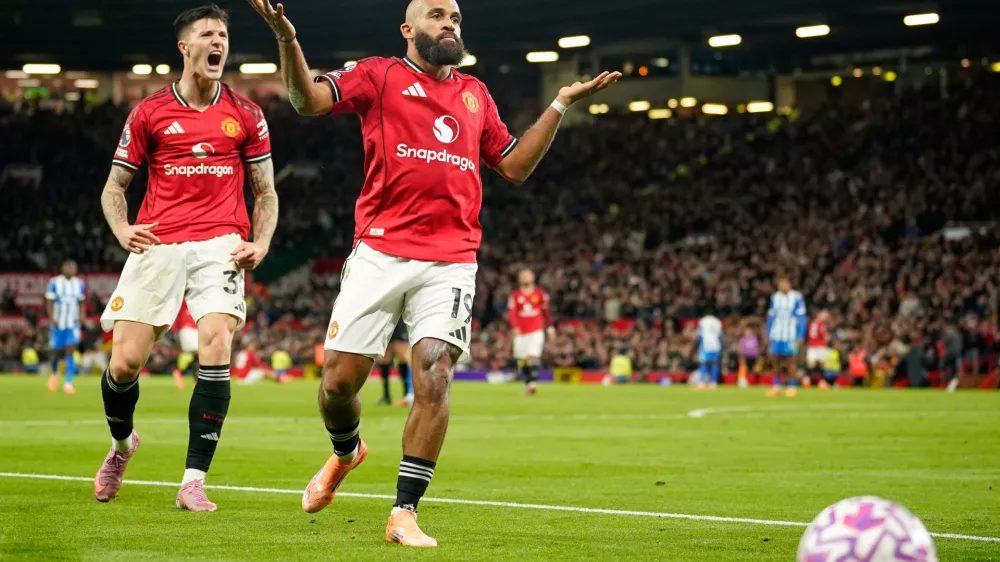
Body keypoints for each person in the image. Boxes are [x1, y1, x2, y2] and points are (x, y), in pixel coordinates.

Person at [247, 0, 619, 547]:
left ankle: (404, 512)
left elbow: (513, 165)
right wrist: (286, 39)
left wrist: (559, 104)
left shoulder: (475, 94)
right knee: (338, 384)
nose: (451, 24)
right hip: (379, 251)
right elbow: (308, 101)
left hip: (451, 257)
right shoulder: (379, 75)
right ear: (409, 29)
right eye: (439, 15)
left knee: (435, 369)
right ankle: (347, 451)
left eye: (457, 18)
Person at [93, 4, 278, 513]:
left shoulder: (247, 113)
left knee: (216, 343)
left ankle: (193, 480)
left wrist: (260, 242)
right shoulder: (150, 111)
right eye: (207, 35)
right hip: (160, 241)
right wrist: (122, 227)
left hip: (221, 242)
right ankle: (122, 444)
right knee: (125, 363)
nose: (218, 43)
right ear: (185, 47)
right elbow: (115, 187)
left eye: (223, 35)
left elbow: (265, 192)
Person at [508, 268, 553, 395]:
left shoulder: (540, 294)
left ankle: (532, 382)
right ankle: (529, 383)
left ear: (533, 277)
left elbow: (546, 313)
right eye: (522, 275)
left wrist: (550, 328)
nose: (525, 277)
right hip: (521, 332)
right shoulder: (515, 295)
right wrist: (514, 326)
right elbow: (512, 313)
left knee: (533, 356)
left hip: (536, 330)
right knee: (522, 360)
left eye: (527, 275)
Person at [45, 260, 85, 394]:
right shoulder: (54, 282)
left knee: (70, 350)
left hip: (72, 323)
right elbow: (50, 301)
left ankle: (68, 383)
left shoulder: (79, 283)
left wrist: (81, 316)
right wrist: (52, 318)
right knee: (57, 351)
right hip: (58, 322)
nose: (72, 269)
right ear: (63, 268)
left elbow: (81, 302)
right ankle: (55, 374)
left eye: (74, 267)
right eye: (69, 267)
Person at [765, 276, 807, 397]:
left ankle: (792, 386)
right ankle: (776, 386)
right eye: (780, 284)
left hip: (790, 335)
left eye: (785, 283)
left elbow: (802, 318)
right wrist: (768, 333)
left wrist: (800, 335)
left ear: (789, 284)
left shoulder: (797, 297)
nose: (782, 286)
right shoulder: (775, 297)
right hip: (777, 334)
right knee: (775, 361)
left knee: (791, 361)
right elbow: (771, 316)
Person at [376, 321, 413, 406]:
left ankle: (407, 394)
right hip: (384, 322)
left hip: (398, 323)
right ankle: (386, 396)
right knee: (384, 358)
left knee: (402, 357)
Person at [170, 302, 199, 390]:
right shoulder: (183, 300)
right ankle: (179, 371)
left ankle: (194, 380)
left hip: (195, 328)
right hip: (187, 328)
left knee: (194, 356)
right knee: (196, 353)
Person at [694, 311, 723, 389]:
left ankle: (702, 382)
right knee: (714, 364)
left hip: (705, 346)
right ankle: (714, 383)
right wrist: (720, 346)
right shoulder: (718, 321)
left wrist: (698, 345)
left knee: (703, 364)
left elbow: (700, 335)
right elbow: (720, 336)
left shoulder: (703, 321)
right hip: (716, 346)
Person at [806, 310, 830, 384]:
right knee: (822, 364)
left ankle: (807, 380)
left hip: (811, 345)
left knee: (811, 364)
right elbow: (825, 336)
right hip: (820, 345)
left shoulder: (812, 323)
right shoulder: (822, 325)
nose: (826, 318)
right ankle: (822, 381)